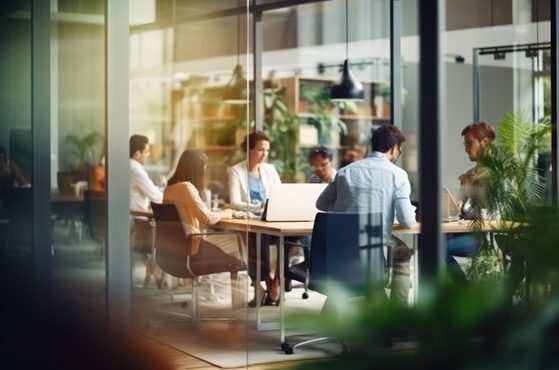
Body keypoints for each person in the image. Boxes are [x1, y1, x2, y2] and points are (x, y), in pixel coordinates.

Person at [316, 125, 417, 306]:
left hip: (339, 247)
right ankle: (399, 310)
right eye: (399, 150)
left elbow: (321, 204)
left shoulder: (345, 171)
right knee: (402, 253)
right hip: (374, 243)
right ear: (394, 148)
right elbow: (407, 221)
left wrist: (345, 208)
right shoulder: (399, 175)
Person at [163, 149, 245, 270]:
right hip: (192, 247)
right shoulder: (186, 187)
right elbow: (206, 218)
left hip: (174, 248)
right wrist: (228, 213)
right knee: (238, 243)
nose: (205, 172)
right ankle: (245, 284)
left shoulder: (169, 188)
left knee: (232, 242)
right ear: (197, 170)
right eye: (204, 168)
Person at [228, 131, 282, 306]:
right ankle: (267, 280)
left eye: (267, 150)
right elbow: (235, 202)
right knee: (258, 238)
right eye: (260, 150)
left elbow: (280, 194)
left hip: (271, 217)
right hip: (253, 220)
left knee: (294, 239)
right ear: (249, 150)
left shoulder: (270, 169)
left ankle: (277, 281)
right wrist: (258, 207)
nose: (264, 154)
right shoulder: (236, 171)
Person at [446, 121, 496, 283]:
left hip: (485, 237)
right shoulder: (470, 174)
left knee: (435, 248)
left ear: (485, 143)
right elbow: (457, 203)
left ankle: (463, 290)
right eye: (465, 144)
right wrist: (456, 206)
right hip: (464, 232)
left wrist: (465, 207)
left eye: (469, 143)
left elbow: (496, 212)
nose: (466, 149)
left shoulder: (498, 174)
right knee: (429, 243)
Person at [129, 135, 163, 287]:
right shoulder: (136, 169)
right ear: (137, 154)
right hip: (135, 223)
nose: (148, 155)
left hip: (128, 220)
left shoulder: (122, 165)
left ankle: (154, 271)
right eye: (147, 151)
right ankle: (157, 270)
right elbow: (156, 197)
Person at [0, 145, 29, 211]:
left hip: (12, 199)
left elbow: (23, 183)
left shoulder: (10, 165)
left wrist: (8, 172)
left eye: (1, 159)